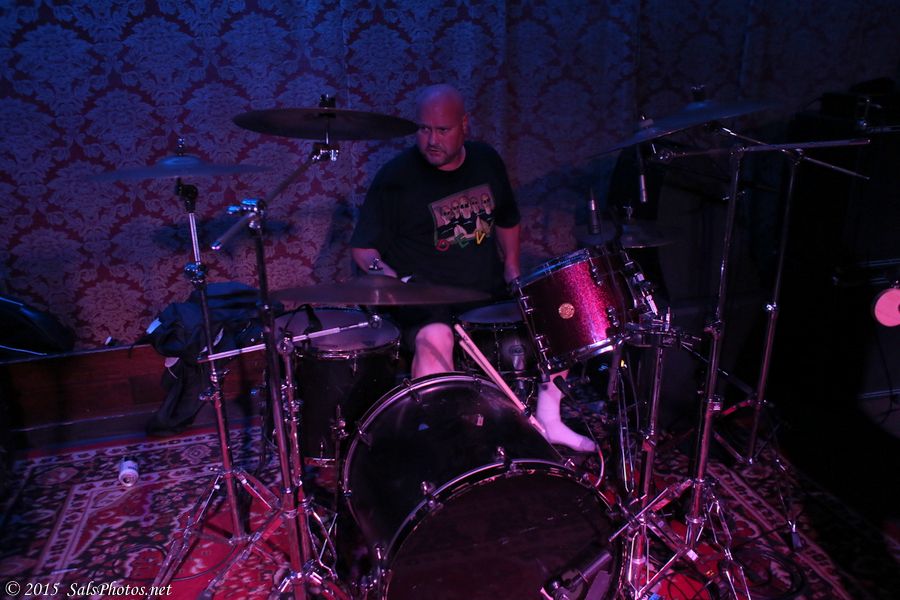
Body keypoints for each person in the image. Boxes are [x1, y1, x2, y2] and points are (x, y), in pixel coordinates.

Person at [350, 84, 595, 453]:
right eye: (423, 129)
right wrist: (389, 278)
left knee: (558, 313)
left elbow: (507, 219)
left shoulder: (486, 160)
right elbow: (363, 248)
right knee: (435, 338)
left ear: (465, 125)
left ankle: (550, 419)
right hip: (425, 298)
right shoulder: (396, 177)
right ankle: (443, 449)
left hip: (485, 289)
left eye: (442, 130)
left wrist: (512, 268)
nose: (431, 140)